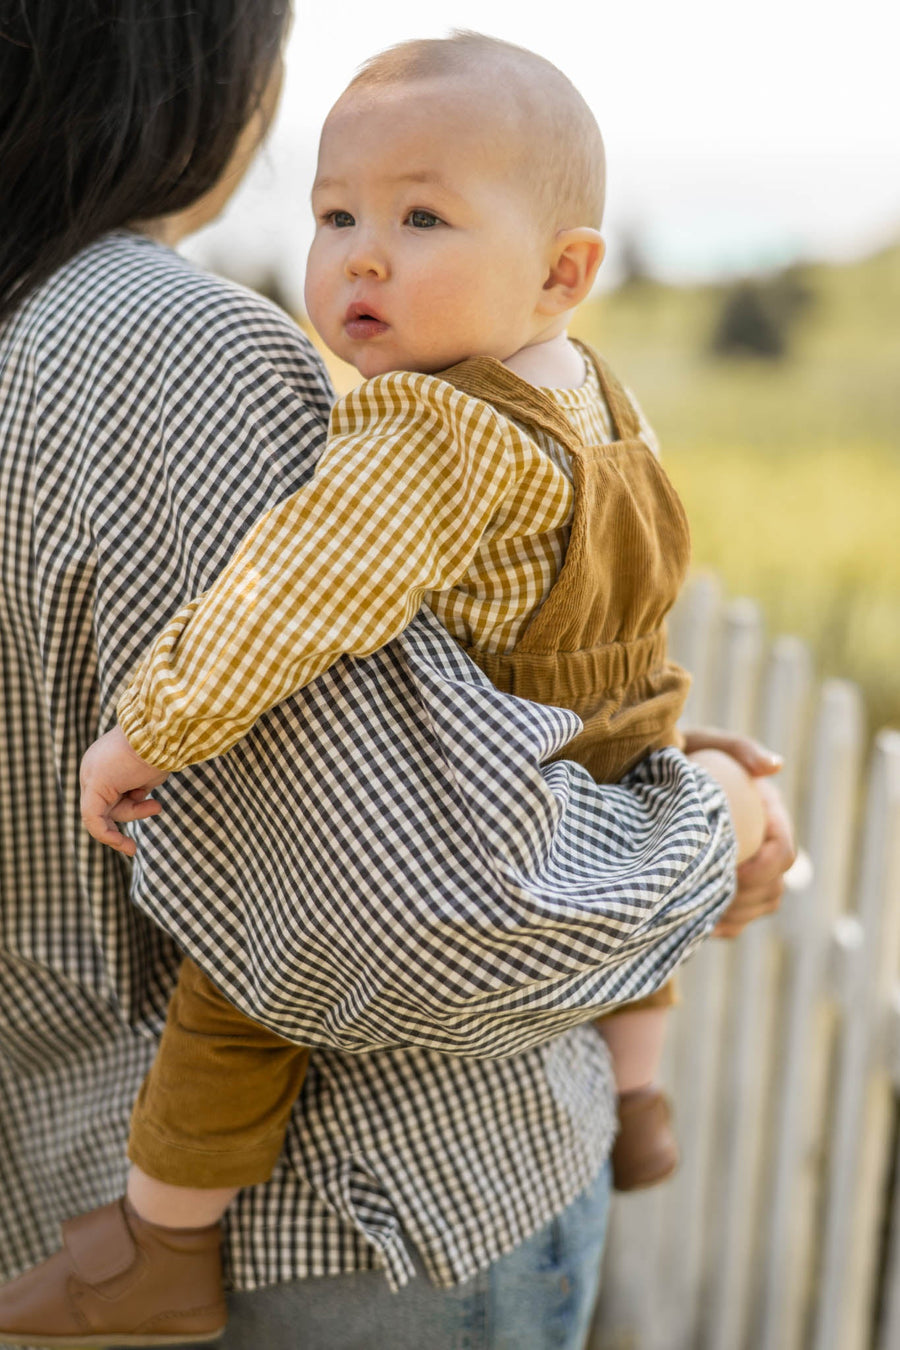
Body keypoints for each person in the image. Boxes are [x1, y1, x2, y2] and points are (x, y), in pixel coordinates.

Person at [0, 8, 793, 1350]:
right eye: (337, 217)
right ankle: (636, 1093)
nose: (363, 252)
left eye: (420, 220)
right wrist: (712, 809)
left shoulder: (48, 321)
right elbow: (418, 914)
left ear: (562, 272)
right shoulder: (185, 347)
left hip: (62, 1146)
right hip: (354, 1229)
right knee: (237, 991)